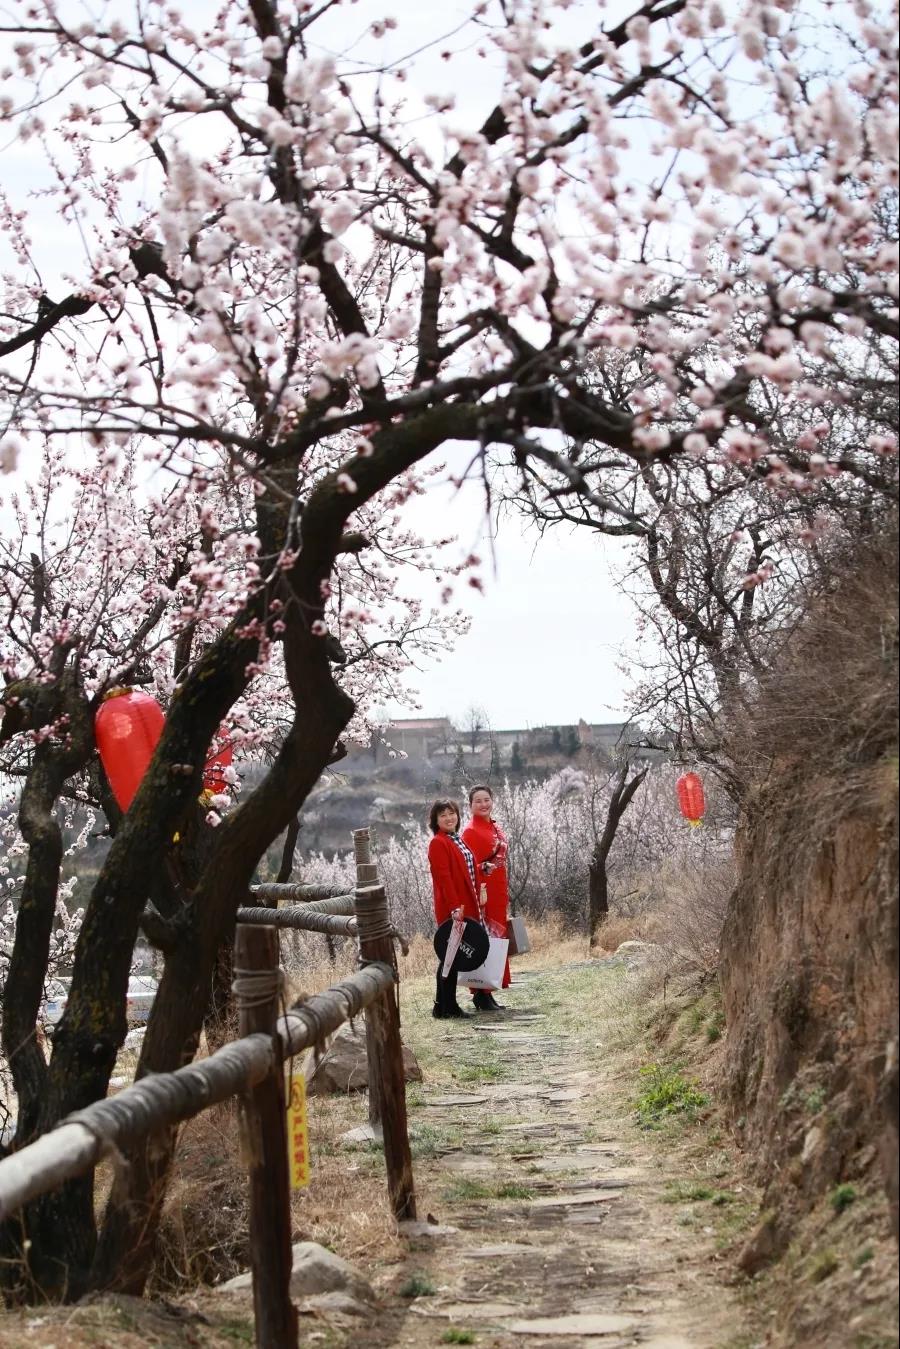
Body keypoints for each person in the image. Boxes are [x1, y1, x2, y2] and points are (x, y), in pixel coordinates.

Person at [427, 798, 480, 1020]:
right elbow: (444, 878)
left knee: (452, 956)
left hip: (464, 904)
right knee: (449, 957)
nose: (449, 818)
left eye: (452, 813)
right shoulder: (438, 842)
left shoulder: (455, 839)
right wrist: (454, 907)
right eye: (443, 815)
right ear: (435, 820)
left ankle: (442, 1006)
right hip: (454, 907)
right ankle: (447, 1006)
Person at [463, 784, 511, 1011]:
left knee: (497, 939)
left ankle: (489, 991)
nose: (483, 804)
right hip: (483, 893)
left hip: (498, 890)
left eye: (486, 799)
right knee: (485, 939)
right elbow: (467, 865)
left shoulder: (494, 827)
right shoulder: (470, 831)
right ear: (470, 805)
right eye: (478, 801)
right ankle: (480, 993)